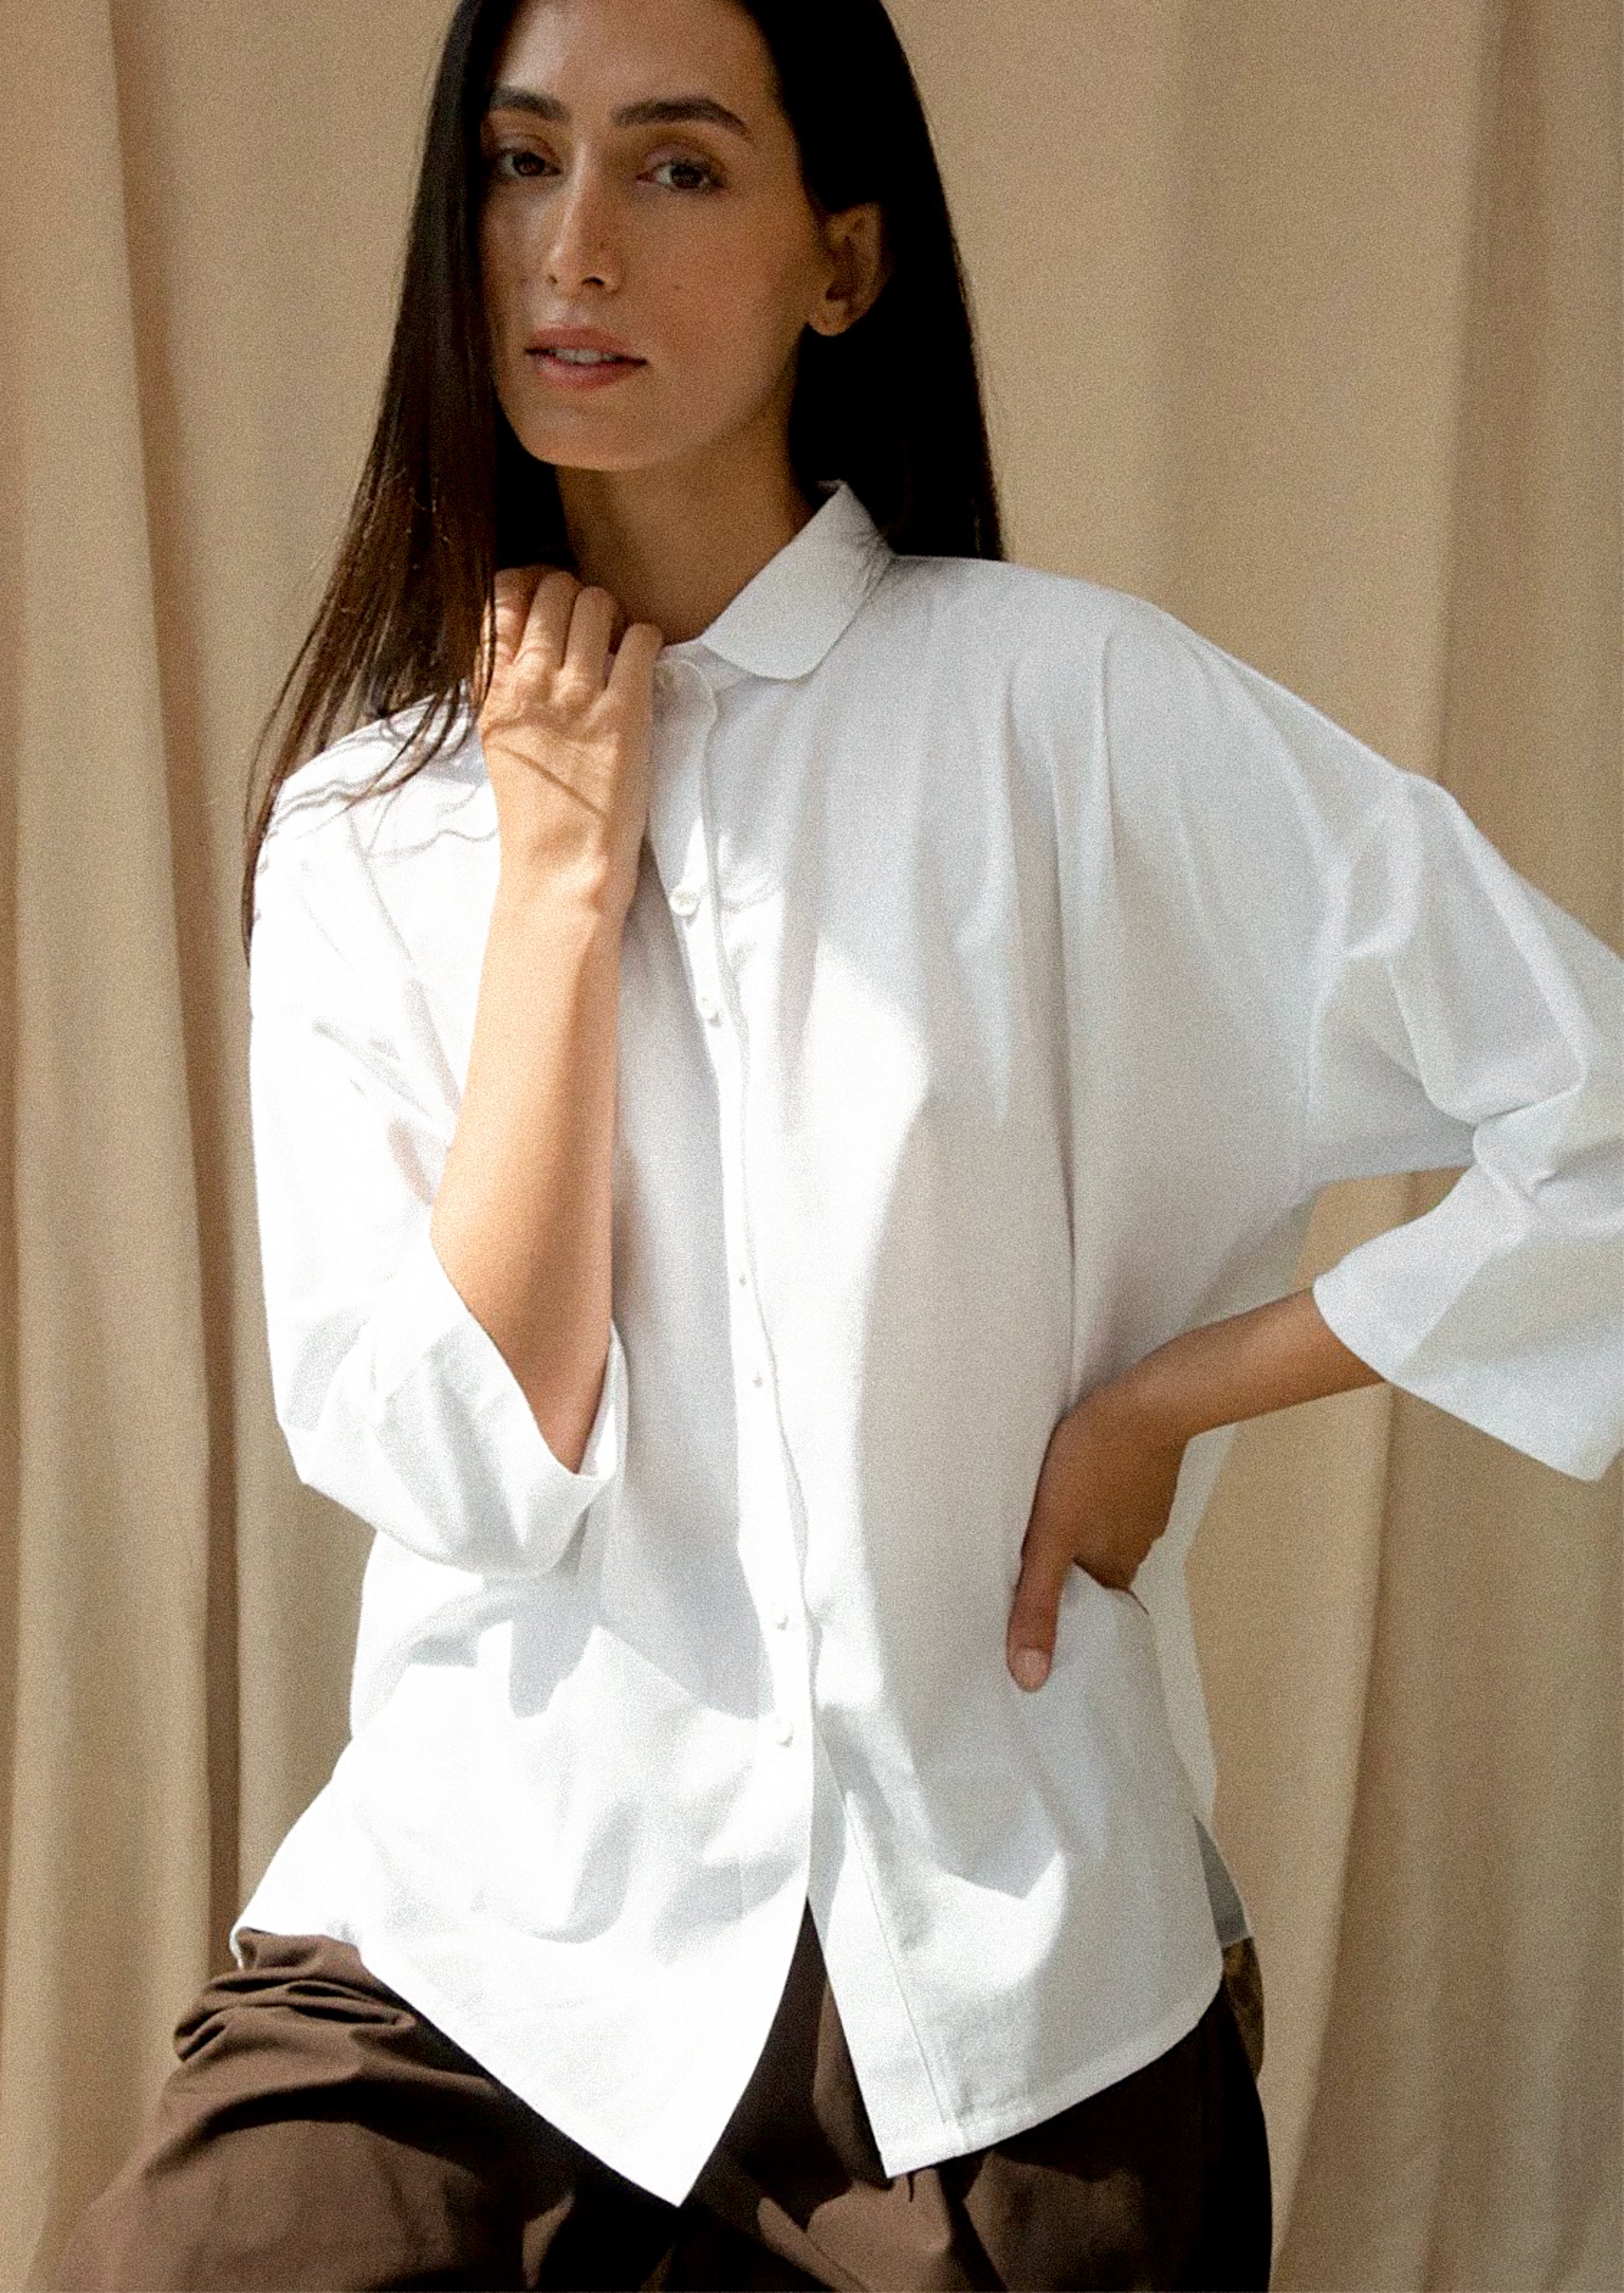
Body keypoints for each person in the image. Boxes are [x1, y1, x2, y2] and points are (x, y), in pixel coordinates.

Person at [55, 0, 1621, 2286]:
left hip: (994, 1980)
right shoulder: (368, 823)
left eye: (675, 168)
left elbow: (1593, 1109)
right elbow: (481, 1463)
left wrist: (1170, 1392)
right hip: (492, 1950)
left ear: (841, 260)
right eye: (518, 163)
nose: (570, 247)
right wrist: (559, 887)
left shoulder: (1069, 709)